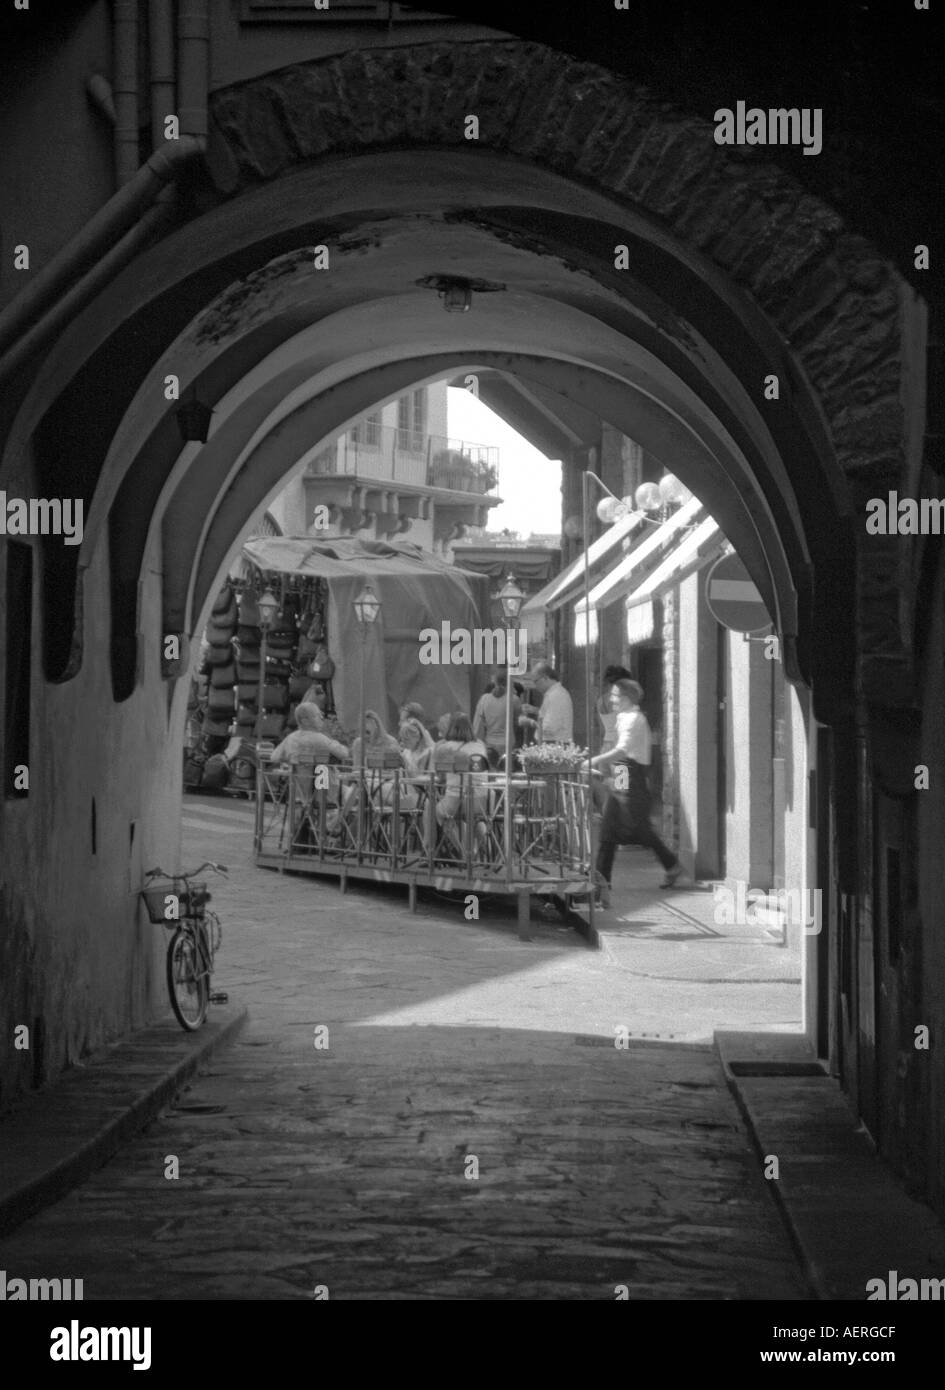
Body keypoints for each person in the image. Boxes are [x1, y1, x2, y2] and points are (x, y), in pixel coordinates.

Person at [589, 678, 680, 904]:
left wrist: (596, 760)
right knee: (611, 827)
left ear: (627, 699)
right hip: (623, 771)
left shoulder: (635, 719)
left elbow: (623, 750)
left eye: (616, 695)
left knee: (637, 828)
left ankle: (672, 864)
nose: (611, 699)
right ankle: (602, 883)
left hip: (632, 774)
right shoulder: (623, 717)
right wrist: (610, 773)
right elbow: (619, 755)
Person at [434, 714, 489, 828]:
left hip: (458, 800)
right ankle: (480, 846)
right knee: (476, 820)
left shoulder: (445, 747)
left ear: (450, 728)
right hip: (482, 802)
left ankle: (461, 845)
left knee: (440, 812)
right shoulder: (480, 745)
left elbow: (440, 778)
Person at [472, 669, 521, 767]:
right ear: (510, 683)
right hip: (508, 743)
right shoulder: (514, 699)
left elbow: (477, 724)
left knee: (491, 772)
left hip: (489, 743)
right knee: (505, 774)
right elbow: (518, 721)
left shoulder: (484, 699)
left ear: (494, 682)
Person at [520, 661, 574, 744]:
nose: (535, 685)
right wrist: (535, 710)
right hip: (552, 743)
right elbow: (552, 714)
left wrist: (530, 722)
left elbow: (549, 728)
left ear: (545, 678)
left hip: (554, 745)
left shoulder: (556, 695)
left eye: (536, 681)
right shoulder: (554, 693)